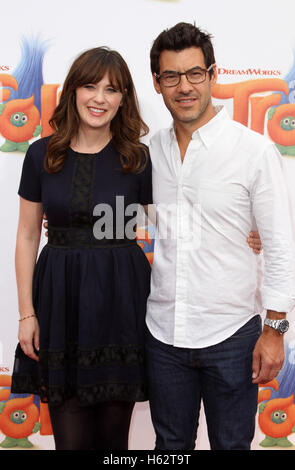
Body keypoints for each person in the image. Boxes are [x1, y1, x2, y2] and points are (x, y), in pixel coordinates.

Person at [145, 22, 295, 450]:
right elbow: (118, 209)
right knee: (170, 447)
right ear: (157, 83)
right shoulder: (149, 151)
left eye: (195, 73)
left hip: (232, 336)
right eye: (171, 76)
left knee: (232, 444)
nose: (184, 86)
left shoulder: (253, 151)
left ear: (214, 74)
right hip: (162, 335)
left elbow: (281, 245)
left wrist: (275, 330)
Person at [11, 47, 153, 450]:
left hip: (121, 307)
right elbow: (26, 235)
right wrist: (27, 313)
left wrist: (245, 233)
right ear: (73, 91)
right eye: (90, 86)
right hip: (60, 305)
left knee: (113, 443)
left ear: (124, 98)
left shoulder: (137, 158)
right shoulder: (43, 153)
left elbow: (175, 224)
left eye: (112, 89)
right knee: (70, 442)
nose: (99, 98)